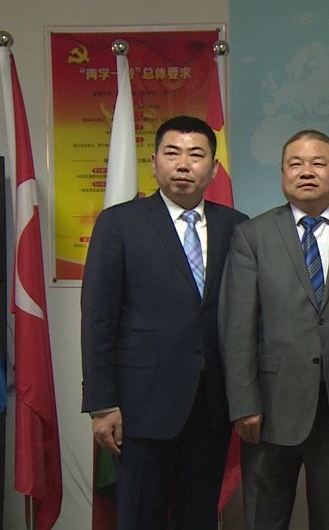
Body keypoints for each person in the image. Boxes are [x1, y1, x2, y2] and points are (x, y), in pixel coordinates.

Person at [218, 130, 329, 529]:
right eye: (295, 164)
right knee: (265, 519)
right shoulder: (252, 235)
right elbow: (238, 326)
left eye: (318, 163)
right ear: (282, 173)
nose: (306, 172)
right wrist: (243, 402)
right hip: (268, 408)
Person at [81, 115, 248, 529]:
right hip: (141, 407)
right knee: (140, 517)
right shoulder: (120, 224)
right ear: (154, 163)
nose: (183, 164)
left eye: (196, 155)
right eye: (172, 153)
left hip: (211, 406)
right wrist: (102, 404)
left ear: (213, 167)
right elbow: (99, 319)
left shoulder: (237, 227)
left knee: (199, 517)